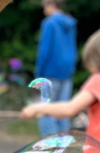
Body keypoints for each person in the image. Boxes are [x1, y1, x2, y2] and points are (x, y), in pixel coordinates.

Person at [35, 0, 77, 137]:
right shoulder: (71, 23)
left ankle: (50, 146)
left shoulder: (49, 23)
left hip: (50, 71)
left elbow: (45, 51)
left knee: (46, 110)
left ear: (51, 4)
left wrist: (39, 74)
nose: (43, 10)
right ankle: (63, 146)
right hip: (67, 71)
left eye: (44, 6)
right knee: (63, 110)